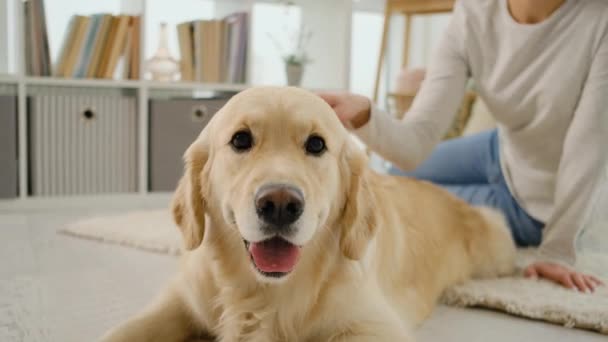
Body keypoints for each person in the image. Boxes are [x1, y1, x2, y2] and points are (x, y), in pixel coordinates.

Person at [320, 0, 607, 292]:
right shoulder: (474, 11)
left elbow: (586, 152)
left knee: (416, 209)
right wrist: (364, 115)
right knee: (396, 176)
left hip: (541, 203)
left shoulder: (600, 20)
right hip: (501, 149)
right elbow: (413, 145)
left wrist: (557, 249)